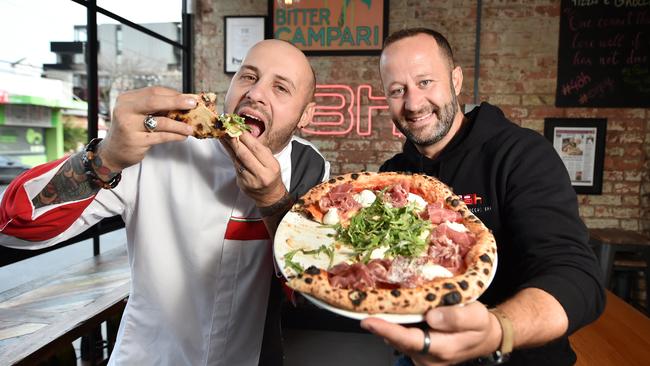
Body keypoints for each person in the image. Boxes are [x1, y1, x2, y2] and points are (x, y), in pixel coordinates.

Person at [0, 39, 329, 366]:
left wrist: (272, 200)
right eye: (248, 76)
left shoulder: (309, 166)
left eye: (281, 88)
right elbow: (15, 226)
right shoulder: (160, 144)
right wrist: (107, 156)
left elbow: (309, 287)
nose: (256, 93)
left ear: (306, 115)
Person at [359, 28, 604, 366]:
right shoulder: (393, 175)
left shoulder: (521, 154)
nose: (413, 103)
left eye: (426, 82)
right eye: (397, 90)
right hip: (420, 354)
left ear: (456, 80)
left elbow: (577, 278)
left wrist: (496, 330)